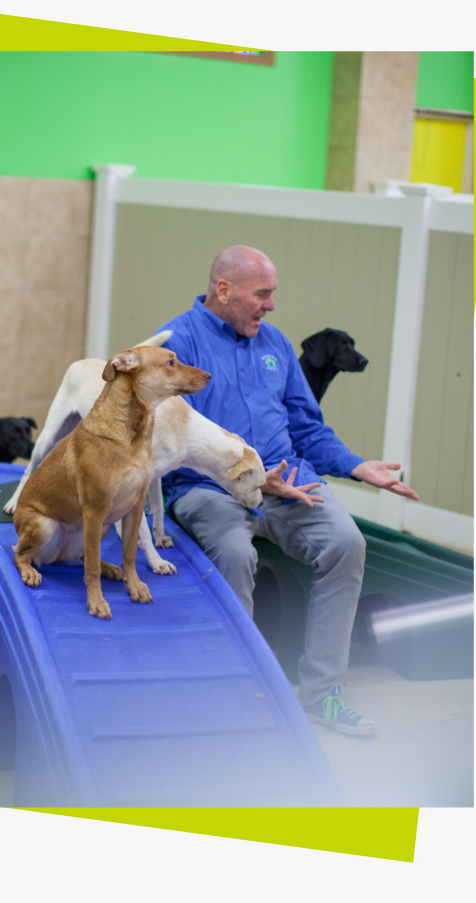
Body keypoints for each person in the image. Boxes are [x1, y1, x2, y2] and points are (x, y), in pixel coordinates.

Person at [156, 245, 419, 736]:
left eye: (272, 294)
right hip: (208, 485)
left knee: (346, 544)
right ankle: (235, 696)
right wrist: (250, 477)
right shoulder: (178, 344)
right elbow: (171, 438)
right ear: (224, 290)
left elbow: (306, 427)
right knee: (235, 554)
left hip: (288, 481)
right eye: (262, 294)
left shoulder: (274, 344)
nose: (271, 305)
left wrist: (356, 466)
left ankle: (321, 695)